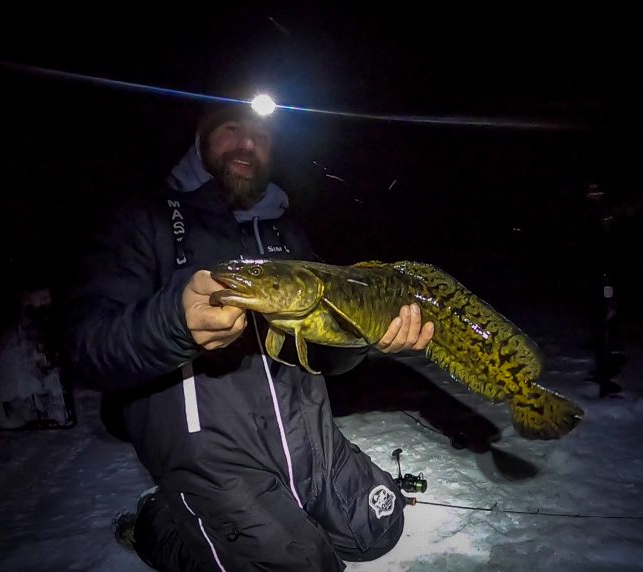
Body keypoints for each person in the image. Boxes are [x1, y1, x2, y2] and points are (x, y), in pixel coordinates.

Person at [64, 99, 434, 571]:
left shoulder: (289, 233)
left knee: (379, 529)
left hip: (308, 439)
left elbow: (322, 354)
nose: (246, 144)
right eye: (231, 128)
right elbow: (86, 346)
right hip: (216, 458)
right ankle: (161, 522)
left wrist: (368, 336)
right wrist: (173, 323)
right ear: (199, 135)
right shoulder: (144, 222)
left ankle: (281, 510)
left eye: (260, 133)